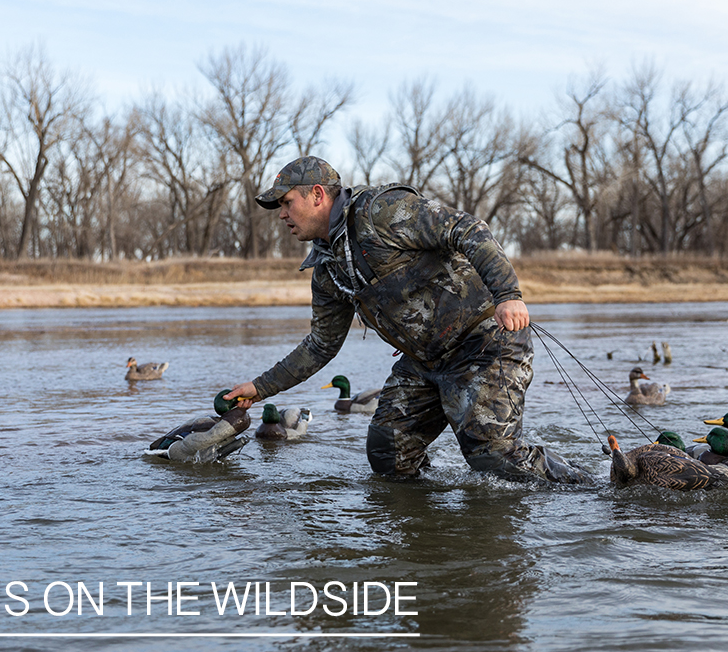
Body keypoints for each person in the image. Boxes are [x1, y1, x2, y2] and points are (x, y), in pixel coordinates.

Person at [225, 156, 590, 483]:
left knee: (494, 458)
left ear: (318, 195)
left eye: (287, 203)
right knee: (388, 455)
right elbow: (320, 346)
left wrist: (508, 295)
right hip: (424, 364)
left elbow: (466, 228)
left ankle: (586, 488)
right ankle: (430, 532)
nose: (282, 215)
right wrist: (260, 388)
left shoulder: (382, 212)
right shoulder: (327, 272)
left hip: (484, 343)